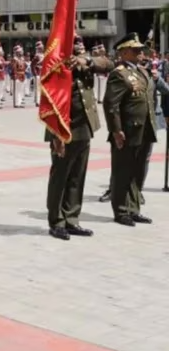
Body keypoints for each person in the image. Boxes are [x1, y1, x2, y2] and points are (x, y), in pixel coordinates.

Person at [45, 37, 114, 239]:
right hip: (63, 127)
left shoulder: (85, 61)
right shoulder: (54, 64)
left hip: (84, 126)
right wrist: (54, 134)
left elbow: (108, 63)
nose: (80, 45)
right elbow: (49, 102)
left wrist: (88, 61)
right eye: (75, 42)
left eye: (81, 43)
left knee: (77, 175)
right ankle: (56, 221)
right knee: (61, 176)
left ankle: (72, 218)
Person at [102, 33, 156, 226]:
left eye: (141, 50)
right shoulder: (119, 73)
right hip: (128, 130)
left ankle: (133, 208)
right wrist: (116, 130)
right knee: (123, 171)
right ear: (124, 52)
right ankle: (121, 210)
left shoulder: (143, 71)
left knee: (137, 171)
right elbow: (111, 104)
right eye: (135, 50)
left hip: (144, 128)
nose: (140, 53)